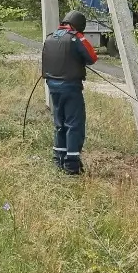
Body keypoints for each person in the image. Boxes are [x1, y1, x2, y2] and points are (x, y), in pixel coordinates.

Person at [42, 10, 98, 175]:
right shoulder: (76, 37)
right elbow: (92, 57)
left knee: (60, 124)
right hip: (71, 87)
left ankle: (58, 160)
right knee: (74, 124)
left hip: (52, 86)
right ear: (79, 25)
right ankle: (72, 165)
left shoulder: (51, 37)